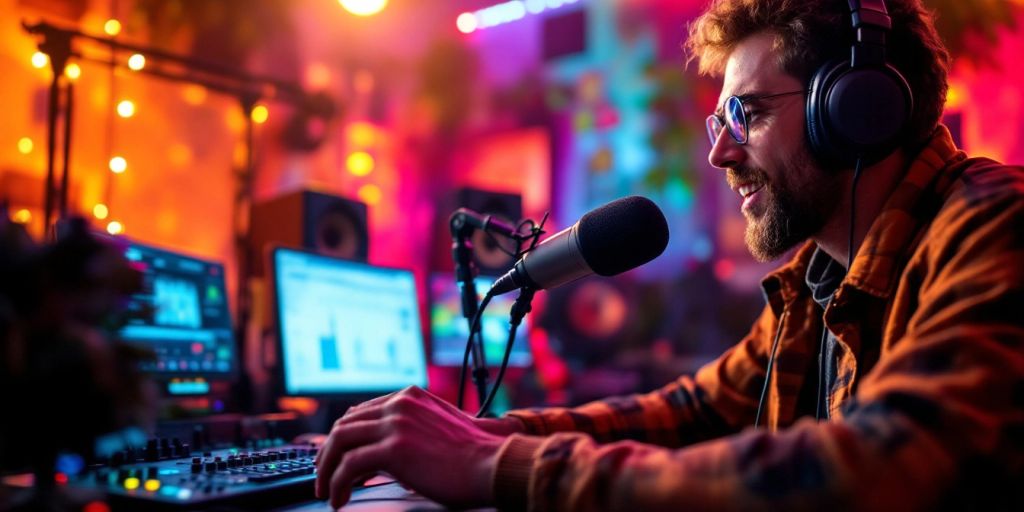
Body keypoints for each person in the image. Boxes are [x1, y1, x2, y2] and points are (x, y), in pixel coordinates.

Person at [314, 0, 1024, 509]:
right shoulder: (813, 288)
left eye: (746, 115)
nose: (719, 152)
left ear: (853, 110)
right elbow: (689, 413)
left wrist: (492, 463)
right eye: (721, 121)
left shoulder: (997, 224)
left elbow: (888, 466)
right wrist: (477, 432)